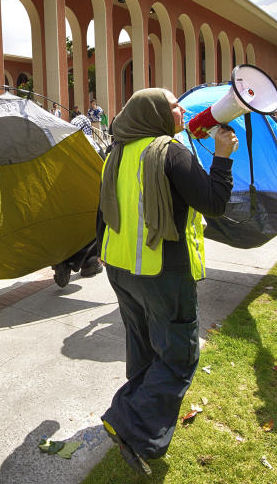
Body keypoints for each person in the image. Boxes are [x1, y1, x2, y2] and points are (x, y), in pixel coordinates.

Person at [95, 88, 236, 475]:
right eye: (173, 105)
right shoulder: (171, 152)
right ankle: (130, 421)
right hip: (161, 271)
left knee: (143, 346)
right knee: (178, 353)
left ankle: (135, 411)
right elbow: (213, 203)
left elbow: (103, 210)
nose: (180, 109)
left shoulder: (118, 151)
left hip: (121, 268)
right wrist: (223, 158)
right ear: (155, 113)